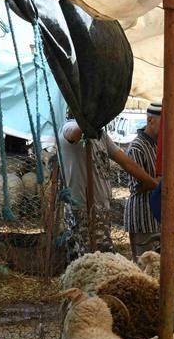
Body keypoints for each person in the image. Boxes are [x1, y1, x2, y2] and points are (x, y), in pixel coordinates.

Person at [59, 113, 157, 260]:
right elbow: (74, 134)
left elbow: (126, 162)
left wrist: (153, 183)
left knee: (102, 260)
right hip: (83, 211)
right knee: (89, 262)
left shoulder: (101, 135)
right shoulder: (68, 127)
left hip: (101, 210)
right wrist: (89, 120)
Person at [123, 103, 162, 260]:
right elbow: (137, 187)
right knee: (144, 263)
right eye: (163, 123)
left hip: (157, 215)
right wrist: (161, 181)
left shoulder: (160, 145)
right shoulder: (137, 147)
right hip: (142, 215)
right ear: (150, 120)